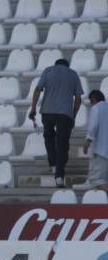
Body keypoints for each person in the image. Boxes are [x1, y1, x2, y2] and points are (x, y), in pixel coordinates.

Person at [28, 58, 83, 187]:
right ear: (67, 65)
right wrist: (73, 115)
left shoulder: (48, 71)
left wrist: (33, 109)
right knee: (62, 143)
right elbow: (78, 99)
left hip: (47, 111)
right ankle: (59, 175)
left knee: (49, 137)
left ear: (56, 64)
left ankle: (53, 164)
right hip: (64, 113)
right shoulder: (73, 74)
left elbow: (37, 90)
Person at [83, 90, 108, 192]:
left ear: (93, 99)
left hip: (101, 150)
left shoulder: (96, 108)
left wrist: (87, 141)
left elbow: (94, 125)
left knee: (95, 179)